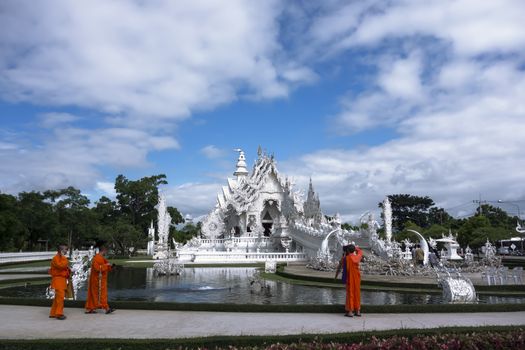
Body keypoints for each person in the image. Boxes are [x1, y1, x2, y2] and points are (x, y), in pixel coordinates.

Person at [85, 241, 115, 314]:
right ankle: (106, 308)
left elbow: (105, 266)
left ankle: (91, 308)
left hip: (101, 279)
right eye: (106, 251)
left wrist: (111, 266)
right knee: (100, 294)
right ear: (104, 250)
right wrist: (107, 265)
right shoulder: (96, 258)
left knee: (96, 294)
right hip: (97, 280)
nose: (106, 252)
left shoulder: (101, 258)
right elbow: (98, 268)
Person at [48, 243, 71, 320]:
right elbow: (61, 266)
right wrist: (65, 259)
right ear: (61, 250)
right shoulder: (56, 258)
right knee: (60, 297)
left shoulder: (60, 258)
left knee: (57, 298)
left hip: (61, 280)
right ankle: (59, 314)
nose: (67, 251)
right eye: (65, 249)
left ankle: (53, 313)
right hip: (58, 280)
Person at [344, 244, 363, 317]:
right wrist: (357, 248)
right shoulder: (357, 257)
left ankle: (350, 311)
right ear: (354, 250)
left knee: (350, 294)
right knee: (357, 294)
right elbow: (360, 252)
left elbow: (343, 267)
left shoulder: (346, 258)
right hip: (357, 278)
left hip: (350, 278)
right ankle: (357, 311)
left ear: (348, 251)